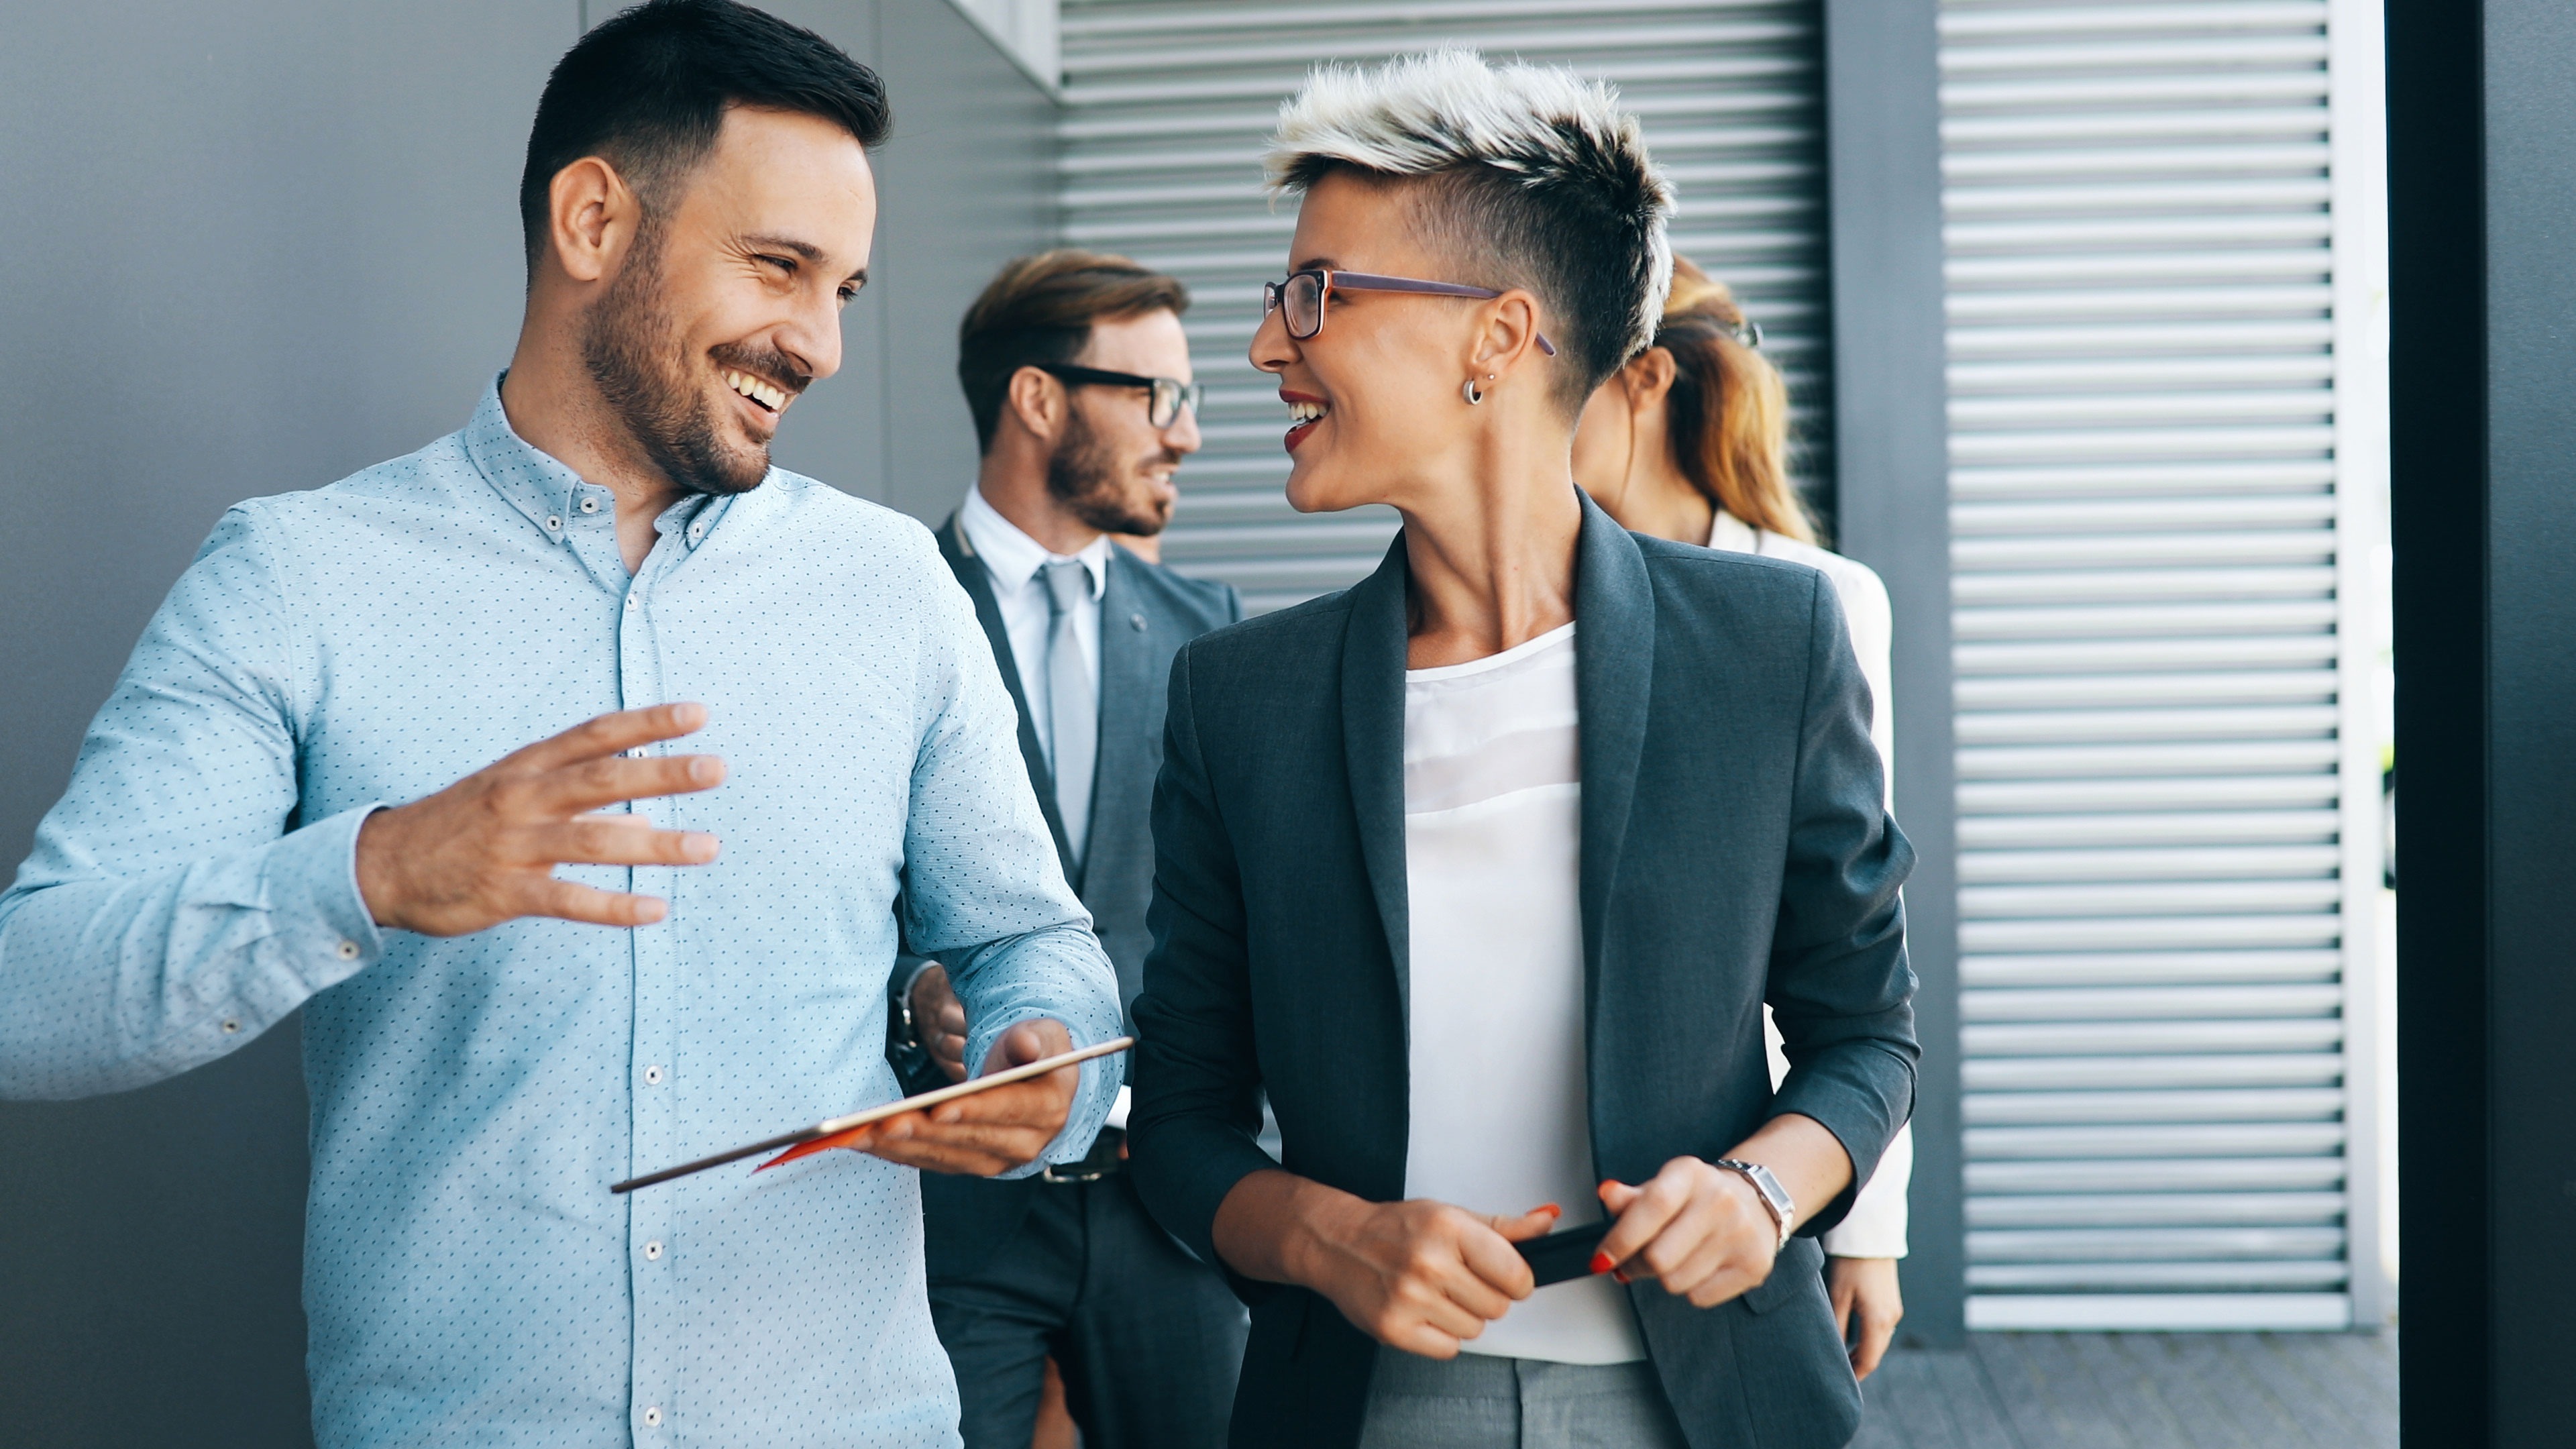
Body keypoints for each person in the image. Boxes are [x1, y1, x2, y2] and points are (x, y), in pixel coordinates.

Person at [0, 4, 1123, 1444]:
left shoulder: (892, 587)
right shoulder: (300, 578)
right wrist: (377, 872)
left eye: (846, 287)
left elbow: (1036, 944)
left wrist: (1049, 1068)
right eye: (780, 267)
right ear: (594, 219)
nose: (823, 343)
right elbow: (31, 994)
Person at [1126, 50, 1917, 1449]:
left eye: (1319, 293)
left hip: (1711, 1403)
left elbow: (1864, 1037)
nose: (1269, 345)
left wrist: (1764, 1195)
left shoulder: (1771, 643)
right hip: (1364, 1407)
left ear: (1498, 337)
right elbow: (1184, 1120)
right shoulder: (1237, 700)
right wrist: (1323, 1238)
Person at [888, 250, 1250, 1448]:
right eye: (1157, 397)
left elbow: (1246, 918)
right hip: (948, 1217)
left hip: (1172, 1205)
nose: (1184, 435)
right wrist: (916, 994)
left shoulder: (1215, 636)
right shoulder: (886, 613)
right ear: (1039, 399)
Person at [1569, 256, 1914, 1381]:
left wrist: (1863, 1228)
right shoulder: (1535, 604)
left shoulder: (1817, 601)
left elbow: (1861, 944)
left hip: (1772, 1150)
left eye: (1560, 386)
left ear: (1645, 379)